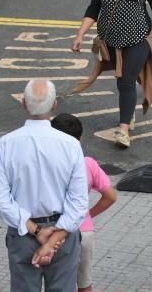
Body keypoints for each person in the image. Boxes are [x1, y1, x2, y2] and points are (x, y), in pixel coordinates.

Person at [0, 79, 88, 292]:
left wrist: (37, 232)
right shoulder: (71, 145)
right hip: (62, 234)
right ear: (54, 105)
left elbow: (1, 200)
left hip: (23, 233)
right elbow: (79, 202)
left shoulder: (5, 144)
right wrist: (54, 237)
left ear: (23, 103)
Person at [72, 0, 152, 148]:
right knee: (124, 82)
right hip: (111, 41)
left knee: (126, 80)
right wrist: (80, 34)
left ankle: (124, 131)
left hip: (138, 39)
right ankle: (129, 113)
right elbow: (93, 9)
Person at [51, 113, 117, 292]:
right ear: (80, 139)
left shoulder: (46, 165)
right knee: (84, 284)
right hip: (83, 230)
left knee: (57, 284)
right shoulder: (88, 163)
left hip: (52, 231)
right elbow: (110, 196)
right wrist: (88, 214)